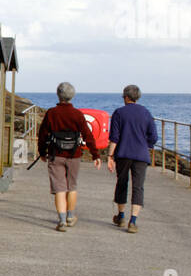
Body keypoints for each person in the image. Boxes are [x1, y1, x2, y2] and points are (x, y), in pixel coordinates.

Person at [37, 82, 101, 231]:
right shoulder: (77, 114)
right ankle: (71, 216)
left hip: (55, 154)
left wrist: (42, 152)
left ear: (58, 95)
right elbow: (88, 135)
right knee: (71, 186)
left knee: (59, 188)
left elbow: (43, 134)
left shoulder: (51, 113)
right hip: (74, 155)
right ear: (72, 96)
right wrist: (95, 155)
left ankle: (62, 220)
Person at [105, 84, 160, 233]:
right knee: (138, 187)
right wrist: (144, 144)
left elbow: (114, 138)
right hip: (141, 155)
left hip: (123, 154)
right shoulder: (146, 113)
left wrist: (110, 156)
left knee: (122, 183)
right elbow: (154, 137)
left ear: (126, 97)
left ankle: (121, 216)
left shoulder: (119, 113)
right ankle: (133, 221)